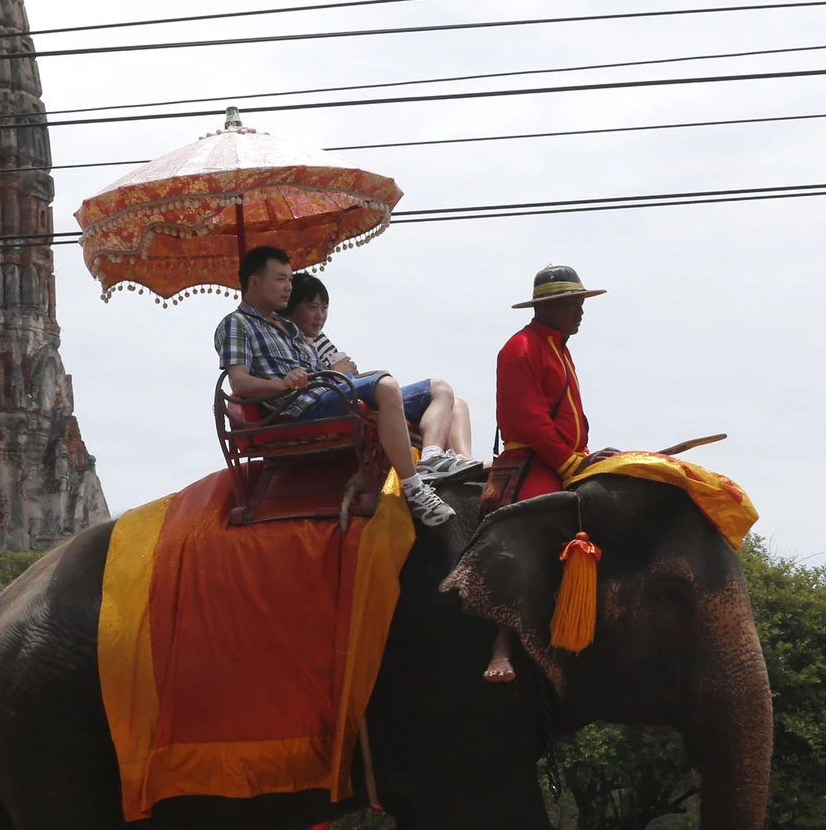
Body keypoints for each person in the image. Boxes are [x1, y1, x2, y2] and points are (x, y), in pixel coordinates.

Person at [215, 246, 457, 526]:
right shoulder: (237, 323)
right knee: (386, 386)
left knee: (436, 389)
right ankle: (415, 489)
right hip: (302, 407)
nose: (288, 288)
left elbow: (319, 371)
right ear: (254, 282)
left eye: (290, 280)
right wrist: (281, 384)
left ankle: (436, 462)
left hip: (330, 393)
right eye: (280, 279)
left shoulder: (288, 327)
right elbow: (239, 382)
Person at [484, 263, 612, 682]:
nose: (580, 310)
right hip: (533, 462)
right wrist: (570, 462)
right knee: (535, 533)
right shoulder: (520, 348)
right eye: (573, 302)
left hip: (563, 457)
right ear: (551, 305)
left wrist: (591, 455)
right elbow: (532, 420)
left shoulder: (560, 345)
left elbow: (571, 419)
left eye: (580, 302)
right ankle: (501, 644)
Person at [282, 273, 481, 482]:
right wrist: (340, 372)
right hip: (333, 401)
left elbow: (345, 375)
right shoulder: (290, 342)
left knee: (457, 404)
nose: (320, 315)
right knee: (439, 389)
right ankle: (432, 459)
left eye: (324, 308)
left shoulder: (317, 341)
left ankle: (463, 460)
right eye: (312, 307)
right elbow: (312, 383)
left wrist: (353, 374)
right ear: (290, 309)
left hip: (344, 391)